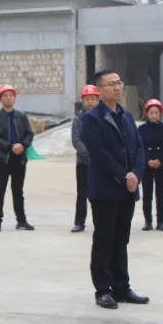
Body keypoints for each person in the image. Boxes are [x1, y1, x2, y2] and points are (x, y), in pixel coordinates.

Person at [80, 70, 149, 311]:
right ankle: (103, 290)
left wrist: (136, 174)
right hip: (105, 190)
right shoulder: (91, 119)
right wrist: (123, 176)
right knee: (104, 240)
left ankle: (122, 287)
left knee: (121, 240)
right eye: (111, 84)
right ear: (99, 90)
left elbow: (138, 146)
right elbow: (98, 153)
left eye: (119, 83)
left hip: (128, 189)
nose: (117, 87)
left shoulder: (127, 116)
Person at [0, 85, 34, 232]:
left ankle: (21, 221)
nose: (8, 98)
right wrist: (10, 147)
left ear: (14, 98)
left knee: (18, 191)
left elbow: (29, 133)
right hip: (2, 159)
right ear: (0, 99)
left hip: (19, 159)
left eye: (11, 95)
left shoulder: (21, 116)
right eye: (5, 96)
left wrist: (23, 145)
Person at [139, 98, 163, 232]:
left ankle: (160, 221)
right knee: (147, 194)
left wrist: (160, 160)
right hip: (146, 166)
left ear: (160, 114)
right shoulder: (142, 129)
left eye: (156, 113)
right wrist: (147, 160)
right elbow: (140, 146)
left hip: (161, 165)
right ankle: (148, 221)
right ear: (147, 114)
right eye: (151, 113)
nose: (153, 115)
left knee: (161, 194)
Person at [71, 84, 100, 233]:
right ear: (83, 101)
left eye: (93, 99)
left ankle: (100, 222)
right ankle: (79, 222)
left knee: (99, 193)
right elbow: (76, 140)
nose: (90, 102)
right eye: (87, 99)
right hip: (83, 162)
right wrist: (88, 154)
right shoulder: (78, 119)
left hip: (100, 163)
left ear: (97, 100)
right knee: (82, 193)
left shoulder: (102, 118)